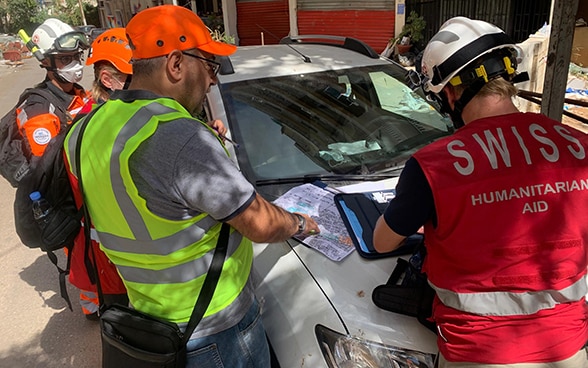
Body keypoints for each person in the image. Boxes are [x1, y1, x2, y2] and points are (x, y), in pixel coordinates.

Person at [64, 4, 320, 367]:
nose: (213, 79)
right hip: (215, 326)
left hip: (148, 313)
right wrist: (299, 223)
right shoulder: (180, 138)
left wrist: (198, 147)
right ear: (176, 64)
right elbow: (261, 224)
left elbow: (146, 193)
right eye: (209, 66)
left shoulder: (85, 130)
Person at [373, 16, 588, 368]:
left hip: (477, 352)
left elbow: (383, 242)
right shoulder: (580, 147)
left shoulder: (433, 165)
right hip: (567, 349)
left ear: (451, 93)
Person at [66, 27, 131, 320]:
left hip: (119, 254)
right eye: (134, 75)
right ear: (108, 79)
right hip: (108, 255)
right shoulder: (92, 130)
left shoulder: (122, 116)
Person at [18, 18, 89, 157]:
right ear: (45, 61)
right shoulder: (39, 110)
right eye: (65, 59)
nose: (75, 64)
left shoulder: (79, 94)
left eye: (76, 56)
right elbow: (48, 168)